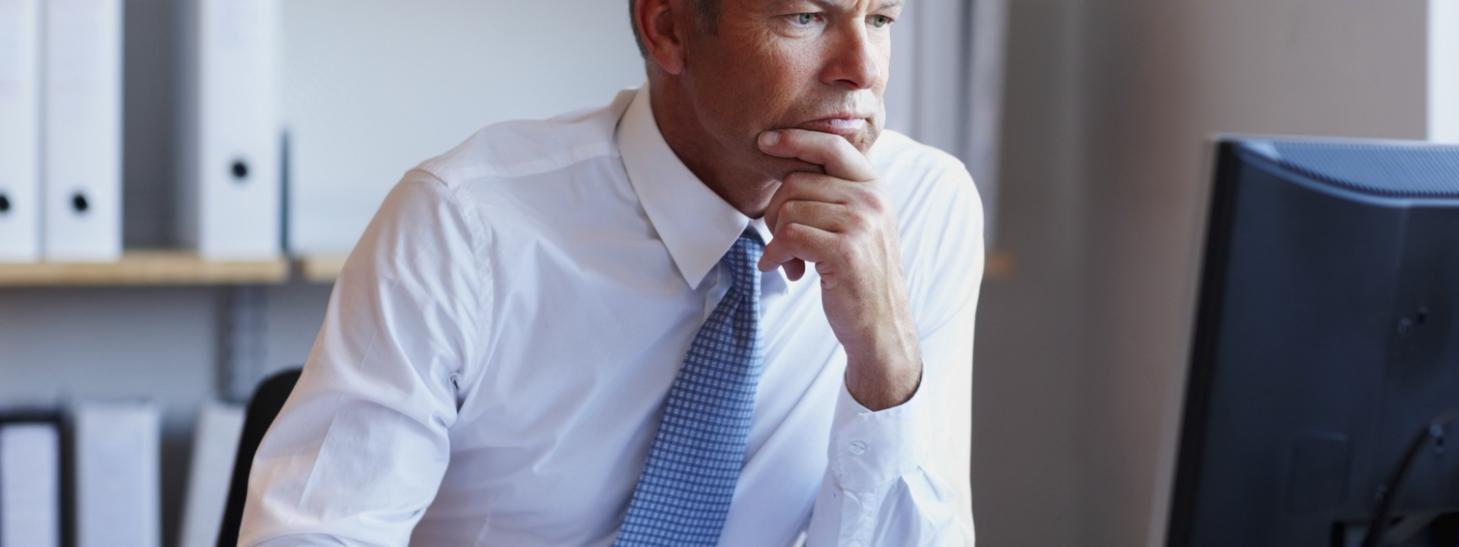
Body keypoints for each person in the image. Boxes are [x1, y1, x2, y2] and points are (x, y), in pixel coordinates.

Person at [238, 0, 983, 544]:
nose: (862, 71)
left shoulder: (920, 209)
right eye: (805, 18)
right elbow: (315, 533)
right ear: (667, 27)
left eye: (881, 18)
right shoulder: (464, 223)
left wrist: (885, 360)